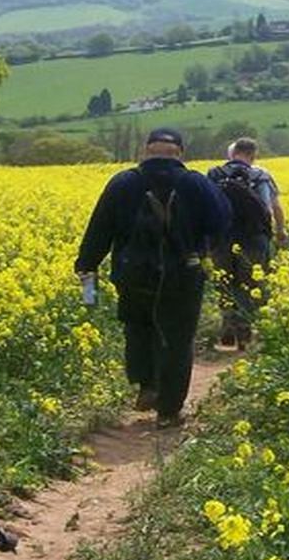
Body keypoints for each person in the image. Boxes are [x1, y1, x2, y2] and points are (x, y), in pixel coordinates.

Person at [74, 127, 229, 428]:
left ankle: (147, 386)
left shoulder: (123, 183)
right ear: (180, 152)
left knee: (138, 328)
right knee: (177, 339)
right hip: (182, 274)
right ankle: (168, 411)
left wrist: (87, 264)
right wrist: (204, 248)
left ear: (146, 151)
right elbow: (222, 220)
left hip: (133, 275)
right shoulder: (195, 183)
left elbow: (100, 228)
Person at [206, 137, 286, 350]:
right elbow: (273, 208)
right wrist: (280, 231)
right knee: (249, 283)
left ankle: (227, 328)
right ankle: (243, 334)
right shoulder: (261, 176)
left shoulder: (214, 174)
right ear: (253, 155)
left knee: (224, 281)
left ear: (232, 154)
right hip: (253, 238)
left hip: (222, 237)